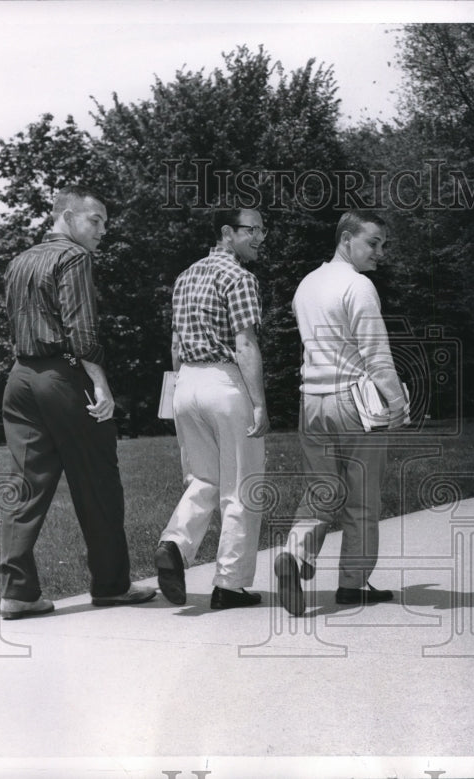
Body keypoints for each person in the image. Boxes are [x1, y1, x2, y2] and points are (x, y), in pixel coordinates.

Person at [0, 185, 156, 619]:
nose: (102, 231)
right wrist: (100, 385)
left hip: (20, 379)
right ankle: (111, 586)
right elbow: (81, 329)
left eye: (105, 223)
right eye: (96, 221)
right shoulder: (75, 257)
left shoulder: (19, 260)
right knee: (98, 483)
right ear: (67, 217)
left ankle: (18, 593)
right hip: (65, 378)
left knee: (25, 487)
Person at [274, 210, 406, 617]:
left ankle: (295, 555)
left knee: (322, 489)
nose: (380, 253)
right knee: (362, 499)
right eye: (373, 243)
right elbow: (376, 355)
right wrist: (397, 403)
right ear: (346, 239)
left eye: (383, 245)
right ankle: (352, 585)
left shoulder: (306, 285)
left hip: (310, 401)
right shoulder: (358, 286)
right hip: (354, 402)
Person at [153, 208, 270, 610]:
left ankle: (174, 543)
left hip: (186, 382)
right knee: (242, 486)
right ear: (226, 233)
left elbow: (173, 343)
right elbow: (245, 344)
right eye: (251, 230)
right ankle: (230, 585)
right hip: (224, 383)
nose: (260, 238)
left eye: (262, 230)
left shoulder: (186, 277)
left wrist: (178, 394)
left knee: (203, 479)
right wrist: (259, 404)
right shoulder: (240, 278)